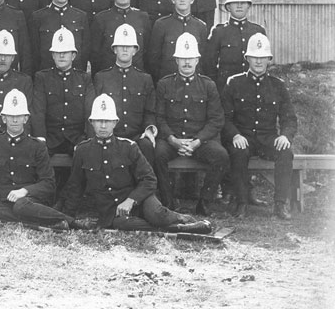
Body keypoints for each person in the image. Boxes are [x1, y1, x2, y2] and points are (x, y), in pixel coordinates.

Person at [61, 94, 213, 233]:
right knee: (123, 225)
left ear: (115, 123)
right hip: (112, 210)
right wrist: (68, 217)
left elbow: (149, 179)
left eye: (107, 121)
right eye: (99, 121)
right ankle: (181, 228)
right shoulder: (83, 151)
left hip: (140, 199)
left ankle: (180, 218)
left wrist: (130, 200)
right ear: (91, 123)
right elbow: (75, 186)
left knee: (156, 215)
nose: (102, 126)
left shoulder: (129, 147)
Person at [222, 34, 297, 219]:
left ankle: (280, 204)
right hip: (243, 137)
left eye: (262, 57)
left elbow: (289, 118)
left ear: (269, 60)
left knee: (286, 152)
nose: (258, 61)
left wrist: (285, 136)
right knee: (238, 152)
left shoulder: (278, 86)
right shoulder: (234, 82)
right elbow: (224, 117)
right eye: (254, 56)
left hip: (267, 138)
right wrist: (235, 135)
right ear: (247, 58)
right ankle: (241, 203)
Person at [153, 33, 229, 214]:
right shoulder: (165, 84)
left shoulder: (208, 85)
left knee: (221, 156)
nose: (187, 63)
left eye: (191, 59)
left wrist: (197, 142)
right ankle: (168, 202)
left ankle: (205, 202)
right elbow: (159, 118)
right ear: (176, 61)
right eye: (183, 59)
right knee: (157, 154)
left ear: (197, 60)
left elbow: (216, 119)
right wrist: (172, 140)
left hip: (199, 141)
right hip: (173, 140)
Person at [0, 89, 73, 229]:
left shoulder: (37, 146)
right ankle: (42, 222)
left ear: (26, 118)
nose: (15, 120)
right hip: (5, 204)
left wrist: (25, 191)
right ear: (4, 118)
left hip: (30, 202)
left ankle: (69, 221)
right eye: (10, 116)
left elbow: (48, 184)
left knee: (21, 206)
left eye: (19, 116)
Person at [93, 24, 158, 173]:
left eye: (128, 46)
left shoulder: (145, 79)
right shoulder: (102, 78)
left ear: (135, 50)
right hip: (111, 135)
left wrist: (148, 129)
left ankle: (148, 190)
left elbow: (150, 111)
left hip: (136, 136)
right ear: (114, 49)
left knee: (147, 146)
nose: (124, 50)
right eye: (121, 46)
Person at [30, 27, 95, 161]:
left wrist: (89, 140)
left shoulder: (84, 79)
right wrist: (41, 139)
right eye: (58, 52)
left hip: (77, 138)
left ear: (73, 55)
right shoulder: (42, 78)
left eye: (65, 52)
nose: (61, 56)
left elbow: (90, 112)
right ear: (52, 55)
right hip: (51, 139)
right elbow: (38, 111)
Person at [204, 0, 266, 91]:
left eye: (243, 2)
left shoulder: (257, 31)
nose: (239, 5)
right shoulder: (219, 32)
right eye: (235, 2)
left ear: (248, 5)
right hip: (226, 89)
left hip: (252, 88)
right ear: (228, 6)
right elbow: (209, 66)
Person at [29, 0, 90, 73]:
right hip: (47, 78)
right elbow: (35, 54)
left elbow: (84, 54)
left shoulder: (81, 17)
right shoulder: (38, 17)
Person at [89, 0, 151, 74]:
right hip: (109, 80)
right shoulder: (101, 19)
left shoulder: (143, 18)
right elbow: (95, 56)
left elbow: (148, 53)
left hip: (137, 79)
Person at [147, 0, 208, 82]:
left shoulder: (200, 26)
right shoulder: (161, 25)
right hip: (167, 85)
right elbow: (153, 61)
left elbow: (203, 62)